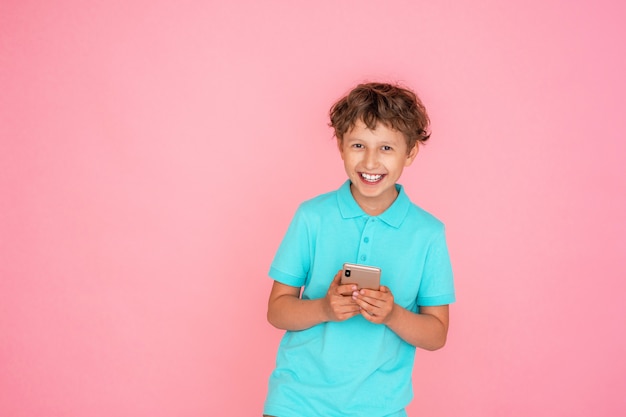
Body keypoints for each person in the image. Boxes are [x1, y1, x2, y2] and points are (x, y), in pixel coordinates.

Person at [263, 82, 456, 417]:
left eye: (386, 148)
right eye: (358, 145)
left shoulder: (428, 234)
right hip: (296, 402)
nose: (370, 161)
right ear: (340, 146)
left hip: (380, 408)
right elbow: (277, 311)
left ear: (410, 152)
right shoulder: (312, 217)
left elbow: (436, 333)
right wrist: (324, 308)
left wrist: (392, 314)